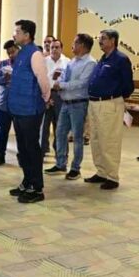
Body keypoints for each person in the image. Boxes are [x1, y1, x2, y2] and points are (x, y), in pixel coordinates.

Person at [8, 20, 51, 204]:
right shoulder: (21, 53)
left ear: (27, 35)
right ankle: (27, 181)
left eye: (17, 32)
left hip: (30, 109)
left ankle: (37, 187)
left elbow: (43, 80)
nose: (14, 34)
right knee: (23, 149)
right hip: (18, 108)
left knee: (32, 148)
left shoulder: (35, 54)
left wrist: (46, 98)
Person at [86, 29, 134, 190]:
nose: (100, 41)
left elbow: (128, 85)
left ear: (113, 41)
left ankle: (112, 176)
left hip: (109, 104)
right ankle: (101, 172)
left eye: (103, 38)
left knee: (109, 141)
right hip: (94, 104)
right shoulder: (103, 58)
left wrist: (115, 97)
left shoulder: (121, 59)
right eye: (99, 38)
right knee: (96, 140)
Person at [45, 34, 97, 180]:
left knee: (77, 137)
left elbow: (82, 83)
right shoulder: (73, 61)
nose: (72, 45)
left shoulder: (90, 63)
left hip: (78, 104)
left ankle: (75, 168)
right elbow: (63, 75)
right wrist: (58, 82)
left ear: (82, 45)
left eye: (75, 43)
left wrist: (61, 85)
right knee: (60, 133)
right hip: (66, 103)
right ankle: (61, 164)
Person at [41, 39, 70, 155]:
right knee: (44, 125)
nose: (54, 49)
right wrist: (46, 96)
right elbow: (41, 79)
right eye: (52, 47)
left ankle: (61, 152)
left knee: (60, 125)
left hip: (61, 95)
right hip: (46, 94)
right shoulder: (44, 61)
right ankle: (42, 150)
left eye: (57, 47)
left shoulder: (67, 62)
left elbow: (70, 79)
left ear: (61, 49)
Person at [0, 40, 19, 166]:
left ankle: (22, 156)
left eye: (13, 52)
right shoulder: (3, 64)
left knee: (20, 132)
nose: (11, 55)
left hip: (19, 105)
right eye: (9, 53)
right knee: (2, 131)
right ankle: (0, 155)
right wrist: (5, 78)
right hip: (3, 104)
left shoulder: (24, 64)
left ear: (18, 50)